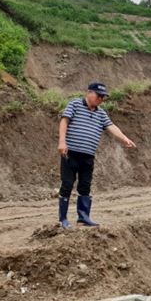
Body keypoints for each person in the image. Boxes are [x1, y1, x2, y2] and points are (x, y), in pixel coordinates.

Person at [57, 82, 135, 228]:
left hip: (88, 156)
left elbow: (112, 127)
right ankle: (63, 219)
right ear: (89, 93)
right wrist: (62, 142)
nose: (101, 99)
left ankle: (83, 217)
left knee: (85, 186)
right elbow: (64, 121)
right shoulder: (74, 104)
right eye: (99, 95)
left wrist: (125, 139)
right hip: (71, 153)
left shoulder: (101, 113)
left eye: (103, 97)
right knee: (67, 184)